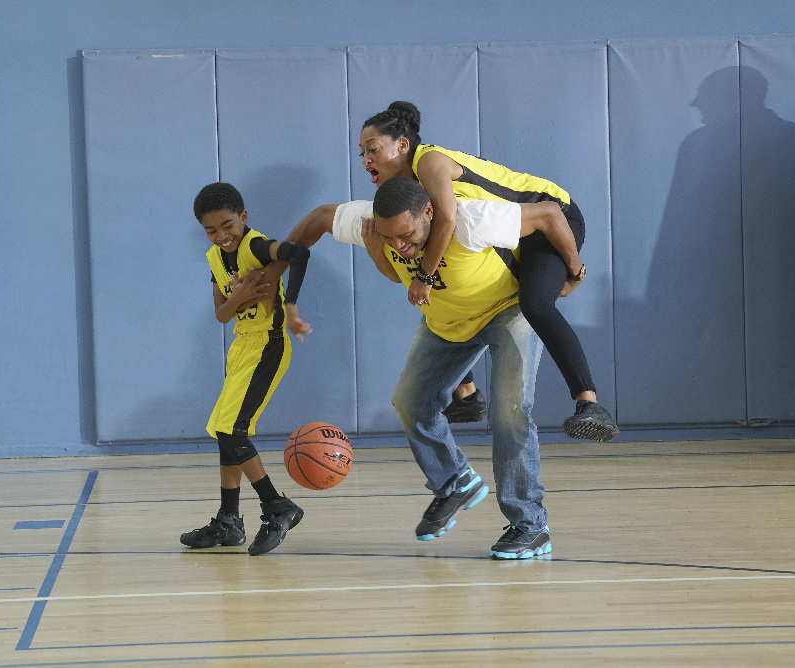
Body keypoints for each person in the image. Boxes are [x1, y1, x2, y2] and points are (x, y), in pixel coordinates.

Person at [320, 177, 559, 558]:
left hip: (507, 312)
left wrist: (573, 271)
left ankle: (530, 524)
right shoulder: (376, 226)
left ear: (429, 212)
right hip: (447, 322)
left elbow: (551, 214)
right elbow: (320, 215)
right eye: (390, 237)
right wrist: (373, 251)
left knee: (509, 413)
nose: (399, 244)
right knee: (410, 401)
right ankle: (454, 478)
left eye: (406, 234)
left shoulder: (473, 219)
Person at [359, 101, 617, 442]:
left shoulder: (429, 162)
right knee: (452, 288)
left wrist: (575, 271)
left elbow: (448, 220)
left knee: (535, 303)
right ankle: (466, 394)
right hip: (514, 233)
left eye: (373, 149)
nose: (365, 160)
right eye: (361, 153)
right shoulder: (402, 195)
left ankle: (590, 403)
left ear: (402, 145)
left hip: (550, 219)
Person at [181, 182, 313, 554]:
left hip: (267, 346)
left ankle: (277, 506)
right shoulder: (214, 259)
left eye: (227, 225)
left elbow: (299, 253)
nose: (221, 235)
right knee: (224, 432)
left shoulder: (255, 246)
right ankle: (228, 520)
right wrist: (238, 296)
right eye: (211, 230)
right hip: (242, 347)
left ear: (243, 217)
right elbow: (222, 314)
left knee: (233, 431)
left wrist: (291, 307)